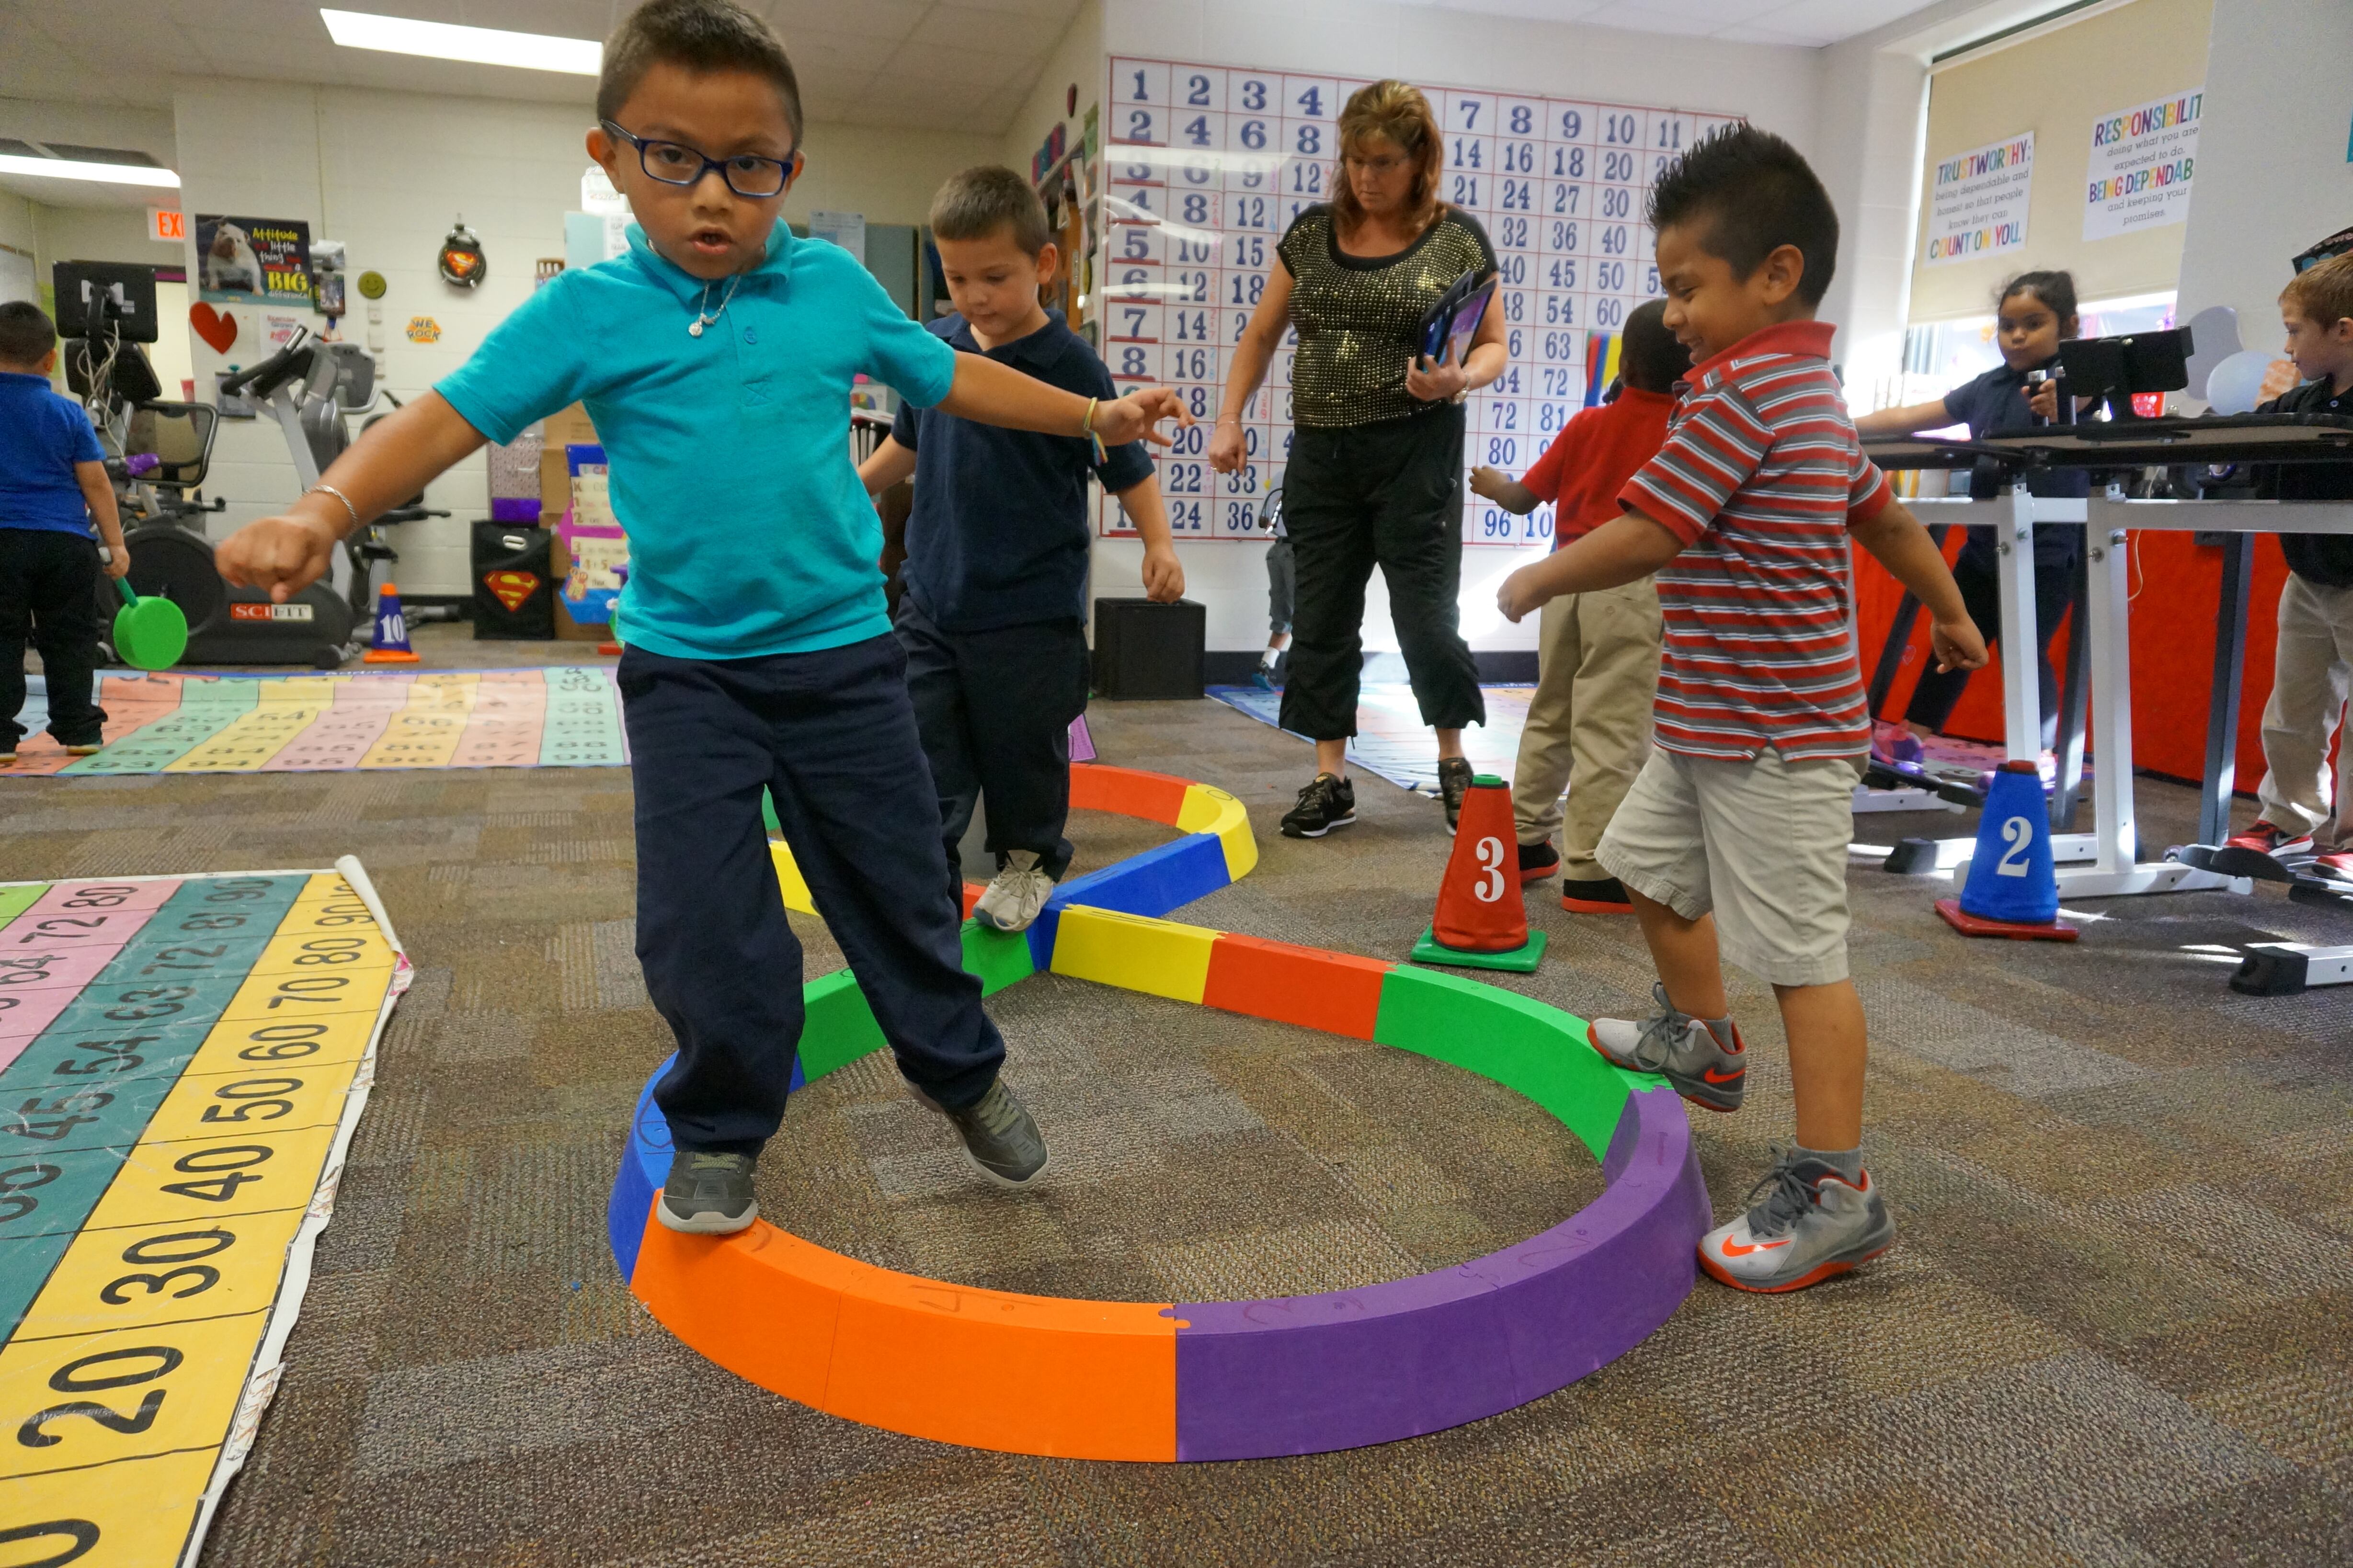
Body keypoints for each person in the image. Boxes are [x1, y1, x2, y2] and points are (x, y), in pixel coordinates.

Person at [211, 0, 1186, 1235]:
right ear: (610, 156)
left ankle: (961, 1070)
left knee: (900, 885)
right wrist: (326, 505)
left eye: (750, 165)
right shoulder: (589, 314)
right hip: (688, 676)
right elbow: (449, 414)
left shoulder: (827, 284)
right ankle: (722, 1124)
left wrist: (1093, 416)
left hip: (846, 660)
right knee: (702, 918)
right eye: (673, 157)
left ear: (790, 168)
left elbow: (953, 378)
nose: (713, 195)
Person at [1496, 125, 1988, 1294]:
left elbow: (1651, 530)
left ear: (1774, 274)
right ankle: (1703, 1041)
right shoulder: (1807, 392)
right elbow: (1883, 517)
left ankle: (1835, 1189)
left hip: (1774, 735)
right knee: (1643, 870)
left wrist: (1535, 577)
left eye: (1686, 287)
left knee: (1801, 959)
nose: (1671, 314)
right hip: (1707, 717)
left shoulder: (1743, 394)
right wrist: (1948, 610)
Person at [857, 165, 1183, 934]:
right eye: (956, 278)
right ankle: (924, 872)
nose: (973, 297)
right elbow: (908, 442)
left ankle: (1028, 860)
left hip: (1030, 612)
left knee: (1023, 749)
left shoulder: (1071, 366)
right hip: (932, 600)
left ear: (1044, 264)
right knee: (922, 744)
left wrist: (1160, 544)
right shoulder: (936, 349)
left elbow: (1127, 465)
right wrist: (850, 490)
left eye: (994, 277)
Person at [1210, 79, 1506, 840]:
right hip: (1323, 453)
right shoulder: (1314, 235)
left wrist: (1460, 379)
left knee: (1427, 617)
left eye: (1383, 163)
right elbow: (1261, 335)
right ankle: (1330, 778)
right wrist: (1230, 417)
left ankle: (1452, 759)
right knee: (1321, 616)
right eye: (1354, 160)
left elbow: (1494, 346)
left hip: (1416, 451)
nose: (1365, 178)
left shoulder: (1457, 239)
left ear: (1419, 161)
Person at [1471, 299, 1690, 911]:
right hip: (1629, 588)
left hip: (1562, 584)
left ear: (1627, 363)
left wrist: (1494, 485)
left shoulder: (1587, 424)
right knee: (1611, 726)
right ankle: (1592, 868)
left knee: (1552, 711)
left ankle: (1521, 841)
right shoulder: (1684, 431)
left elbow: (1522, 499)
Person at [1855, 271, 2090, 752]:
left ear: (2068, 326)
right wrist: (1838, 422)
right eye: (2007, 326)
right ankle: (1914, 738)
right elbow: (1911, 417)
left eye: (2033, 324)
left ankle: (2037, 756)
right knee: (1954, 640)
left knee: (2025, 652)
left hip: (2047, 552)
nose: (2018, 336)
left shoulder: (2075, 380)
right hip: (1984, 547)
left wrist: (2065, 400)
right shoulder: (1989, 384)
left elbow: (2084, 401)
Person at [2219, 253, 2353, 880]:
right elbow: (2237, 446)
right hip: (2309, 577)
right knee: (2294, 709)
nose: (2287, 345)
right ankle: (2287, 819)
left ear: (2343, 331)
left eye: (2296, 330)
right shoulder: (2299, 401)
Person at [0, 301, 130, 766]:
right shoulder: (68, 413)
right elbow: (96, 484)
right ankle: (81, 729)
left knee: (3, 638)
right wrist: (116, 543)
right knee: (71, 638)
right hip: (65, 543)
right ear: (51, 359)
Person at [1255, 481, 1292, 691]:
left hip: (1277, 552)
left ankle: (1265, 666)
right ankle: (1305, 672)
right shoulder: (1314, 475)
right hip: (1297, 551)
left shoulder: (1278, 478)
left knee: (1282, 615)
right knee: (1305, 614)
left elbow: (1265, 521)